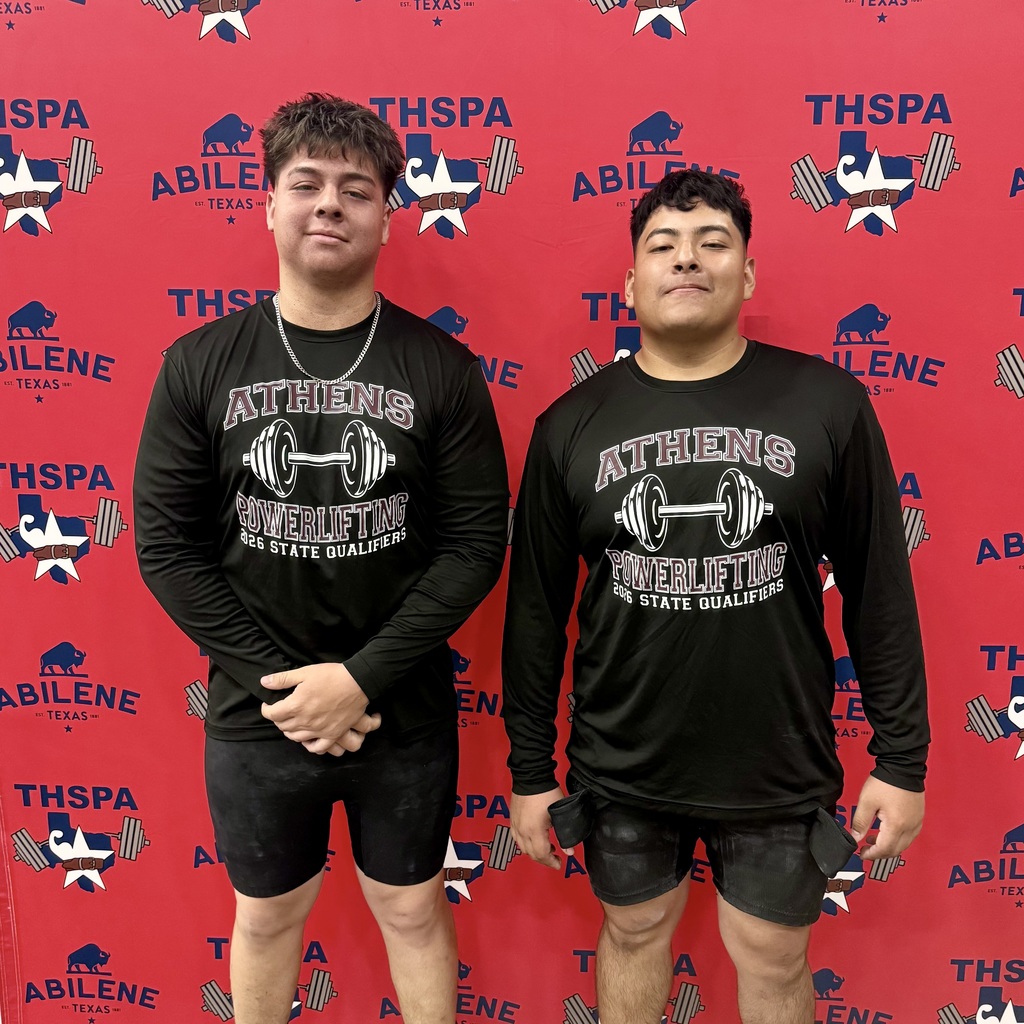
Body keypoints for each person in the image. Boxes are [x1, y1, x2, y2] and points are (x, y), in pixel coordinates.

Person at [501, 170, 928, 1024]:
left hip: (776, 757)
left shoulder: (828, 405)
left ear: (748, 273)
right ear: (630, 283)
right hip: (624, 759)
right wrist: (527, 770)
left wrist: (902, 759)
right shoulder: (570, 425)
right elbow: (537, 614)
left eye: (712, 243)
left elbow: (879, 589)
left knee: (772, 956)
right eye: (661, 246)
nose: (685, 259)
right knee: (633, 933)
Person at [134, 94, 508, 1024]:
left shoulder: (441, 369)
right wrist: (287, 687)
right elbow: (168, 550)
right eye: (305, 185)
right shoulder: (198, 365)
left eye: (356, 189)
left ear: (387, 214)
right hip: (258, 714)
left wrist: (362, 678)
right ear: (267, 204)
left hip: (402, 710)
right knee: (265, 918)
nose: (329, 205)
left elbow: (473, 546)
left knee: (414, 910)